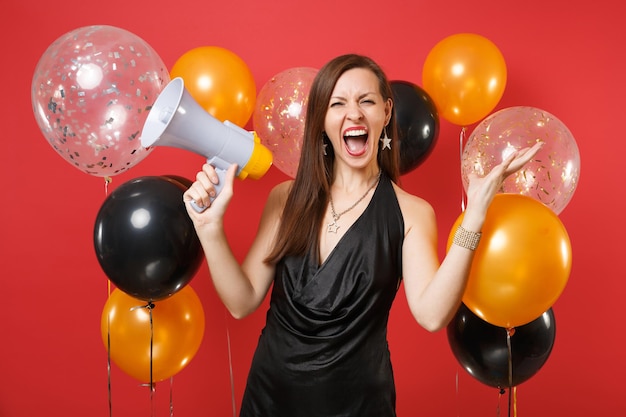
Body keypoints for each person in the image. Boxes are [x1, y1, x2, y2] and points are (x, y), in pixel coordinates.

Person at [183, 54, 542, 417]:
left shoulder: (411, 212)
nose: (353, 113)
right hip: (270, 398)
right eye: (338, 103)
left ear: (385, 113)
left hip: (359, 405)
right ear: (322, 119)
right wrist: (209, 228)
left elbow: (433, 315)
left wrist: (475, 216)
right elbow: (241, 302)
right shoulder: (285, 200)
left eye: (366, 101)